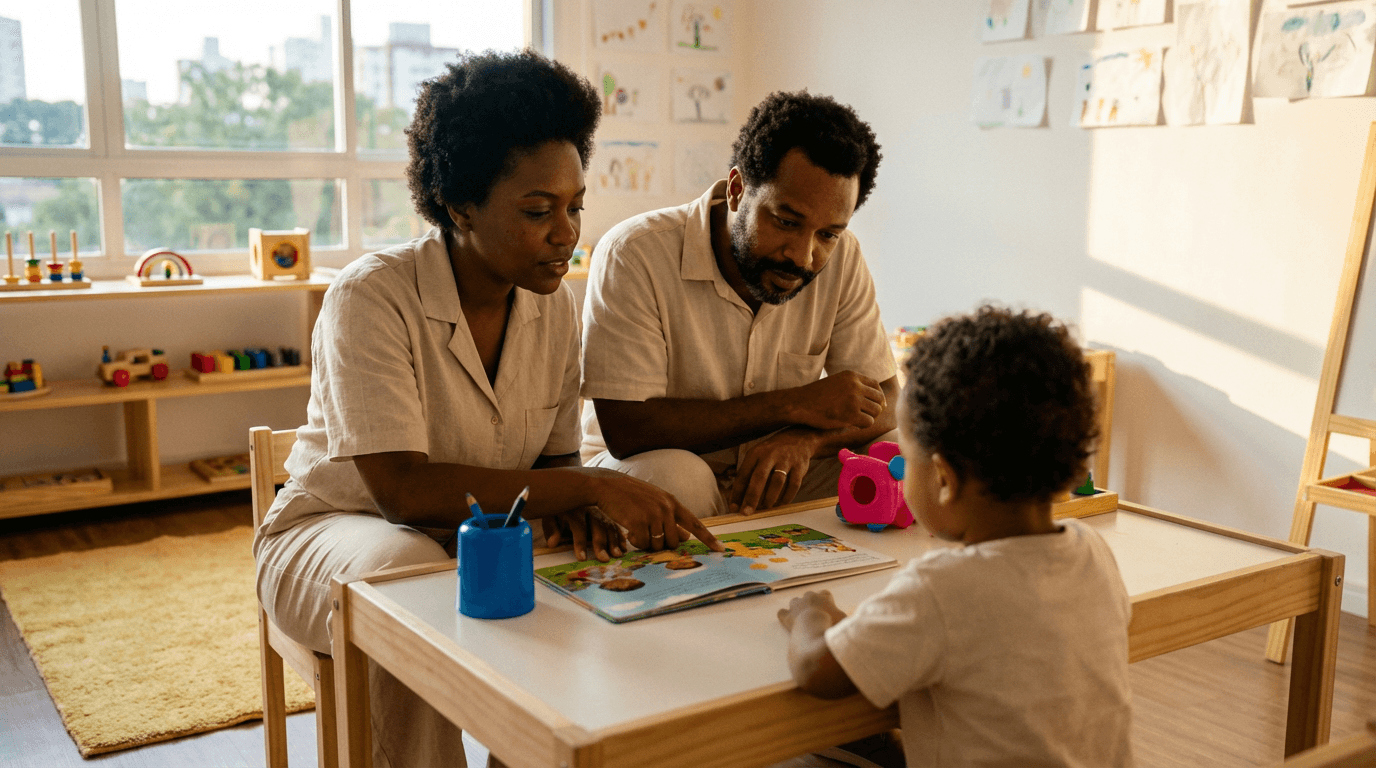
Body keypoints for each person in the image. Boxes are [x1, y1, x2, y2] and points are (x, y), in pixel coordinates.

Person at [253, 49, 720, 768]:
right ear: (458, 204)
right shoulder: (370, 296)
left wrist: (578, 497)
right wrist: (591, 487)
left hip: (489, 533)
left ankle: (545, 751)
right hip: (348, 535)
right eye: (538, 211)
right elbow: (404, 492)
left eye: (574, 207)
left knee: (642, 517)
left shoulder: (555, 305)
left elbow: (555, 463)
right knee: (407, 574)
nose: (566, 232)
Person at [776, 306, 1134, 768]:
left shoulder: (941, 587)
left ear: (943, 479)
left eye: (905, 459)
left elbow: (816, 669)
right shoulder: (1093, 553)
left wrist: (813, 615)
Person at [579, 90, 897, 520]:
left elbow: (888, 399)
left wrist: (803, 438)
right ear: (736, 190)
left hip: (779, 470)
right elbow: (628, 429)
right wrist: (795, 406)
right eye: (786, 222)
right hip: (650, 469)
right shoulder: (634, 252)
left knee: (905, 457)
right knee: (679, 476)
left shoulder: (842, 256)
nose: (804, 256)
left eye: (828, 234)